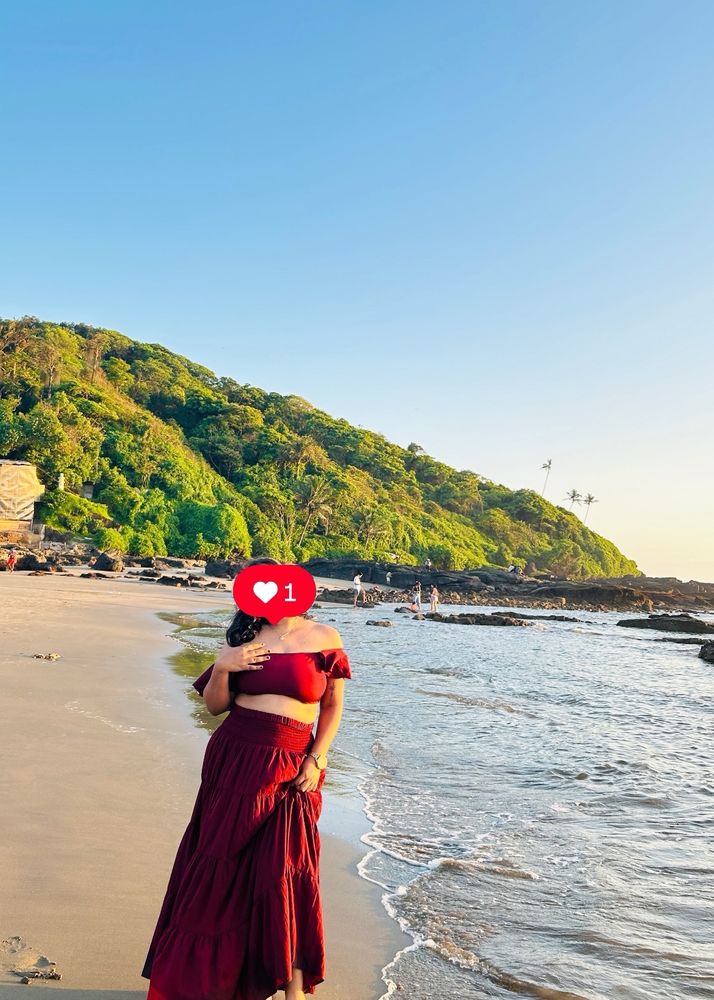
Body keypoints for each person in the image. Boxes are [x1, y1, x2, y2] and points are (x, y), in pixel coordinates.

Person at [141, 557, 352, 1000]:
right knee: (222, 865)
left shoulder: (324, 638)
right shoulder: (243, 638)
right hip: (236, 759)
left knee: (287, 870)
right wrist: (223, 666)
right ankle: (204, 983)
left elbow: (332, 706)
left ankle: (292, 989)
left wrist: (317, 758)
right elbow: (215, 707)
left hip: (296, 766)